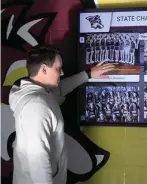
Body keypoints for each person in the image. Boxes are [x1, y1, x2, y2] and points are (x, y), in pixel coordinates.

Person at [8, 44, 116, 184]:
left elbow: (61, 88)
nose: (62, 73)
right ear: (44, 69)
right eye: (58, 69)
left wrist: (88, 74)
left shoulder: (42, 92)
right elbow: (38, 161)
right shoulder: (36, 106)